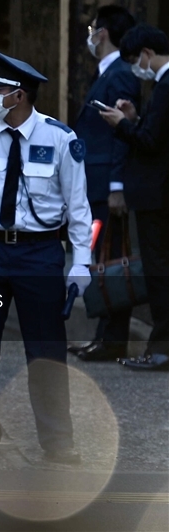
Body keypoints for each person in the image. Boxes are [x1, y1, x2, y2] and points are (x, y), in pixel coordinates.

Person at [0, 51, 92, 464]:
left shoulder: (60, 139)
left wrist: (81, 260)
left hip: (39, 253)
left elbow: (78, 207)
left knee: (45, 349)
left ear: (19, 95)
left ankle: (58, 441)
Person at [68, 5, 141, 362]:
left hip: (106, 184)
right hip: (95, 180)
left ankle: (112, 339)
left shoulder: (120, 75)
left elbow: (119, 136)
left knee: (111, 260)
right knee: (104, 258)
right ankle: (106, 337)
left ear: (103, 33)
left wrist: (116, 185)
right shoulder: (107, 73)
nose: (90, 34)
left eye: (93, 27)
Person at [98, 23, 169, 371]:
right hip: (157, 194)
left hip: (158, 196)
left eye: (135, 59)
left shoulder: (166, 85)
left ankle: (161, 350)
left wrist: (121, 125)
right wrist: (134, 119)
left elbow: (153, 144)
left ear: (146, 54)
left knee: (159, 272)